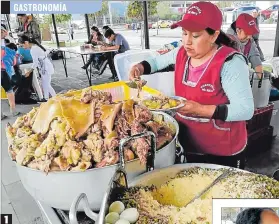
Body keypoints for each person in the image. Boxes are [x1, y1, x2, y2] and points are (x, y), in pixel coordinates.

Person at [129, 1, 254, 169]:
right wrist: (140, 67)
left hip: (222, 151)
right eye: (184, 33)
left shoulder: (230, 62)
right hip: (188, 143)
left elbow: (245, 109)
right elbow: (157, 62)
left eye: (195, 36)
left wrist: (199, 109)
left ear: (214, 35)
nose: (187, 41)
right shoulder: (182, 52)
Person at [18, 35, 56, 101]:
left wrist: (29, 72)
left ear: (26, 42)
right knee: (45, 84)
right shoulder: (36, 46)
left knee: (46, 84)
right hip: (45, 66)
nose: (23, 47)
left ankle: (54, 98)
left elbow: (35, 63)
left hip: (45, 67)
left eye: (22, 45)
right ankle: (47, 98)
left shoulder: (33, 50)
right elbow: (47, 51)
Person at [1, 26, 20, 119]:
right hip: (3, 71)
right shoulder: (6, 47)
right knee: (9, 90)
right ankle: (13, 110)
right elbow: (14, 62)